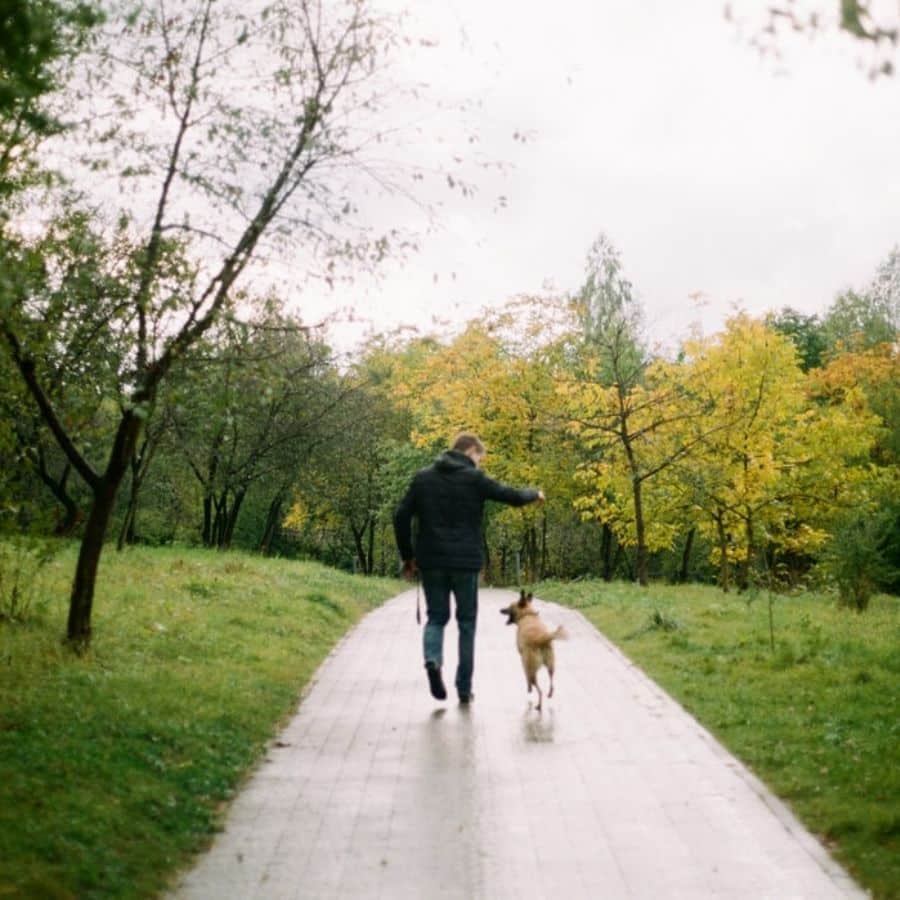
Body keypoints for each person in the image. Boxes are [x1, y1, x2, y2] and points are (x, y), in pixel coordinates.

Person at [393, 432, 544, 704]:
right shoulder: (474, 479)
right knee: (466, 624)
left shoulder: (423, 478)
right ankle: (464, 688)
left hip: (432, 561)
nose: (479, 464)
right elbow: (509, 495)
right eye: (479, 458)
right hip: (465, 563)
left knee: (436, 617)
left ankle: (432, 660)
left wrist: (408, 556)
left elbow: (400, 515)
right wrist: (534, 494)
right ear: (471, 450)